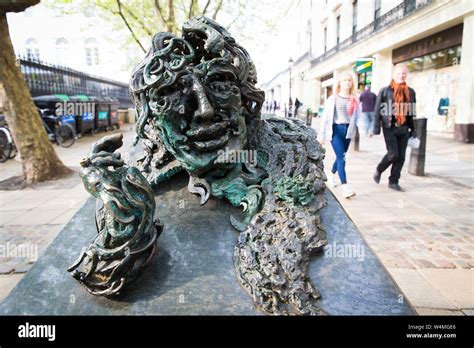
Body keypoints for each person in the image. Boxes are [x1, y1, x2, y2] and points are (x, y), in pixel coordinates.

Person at [373, 63, 417, 191]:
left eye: (403, 73)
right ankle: (379, 169)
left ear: (406, 74)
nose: (401, 75)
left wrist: (413, 129)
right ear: (394, 74)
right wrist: (376, 128)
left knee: (401, 157)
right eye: (399, 73)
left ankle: (393, 181)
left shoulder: (411, 92)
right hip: (389, 127)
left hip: (404, 128)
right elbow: (377, 110)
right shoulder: (385, 91)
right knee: (393, 154)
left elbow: (412, 112)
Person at [319, 72, 361, 198]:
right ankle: (345, 187)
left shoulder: (355, 99)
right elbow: (325, 118)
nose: (347, 82)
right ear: (339, 83)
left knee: (340, 157)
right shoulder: (333, 99)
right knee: (342, 158)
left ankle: (331, 174)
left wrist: (364, 130)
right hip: (336, 130)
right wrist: (321, 135)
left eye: (349, 80)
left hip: (348, 131)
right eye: (344, 80)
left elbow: (359, 116)